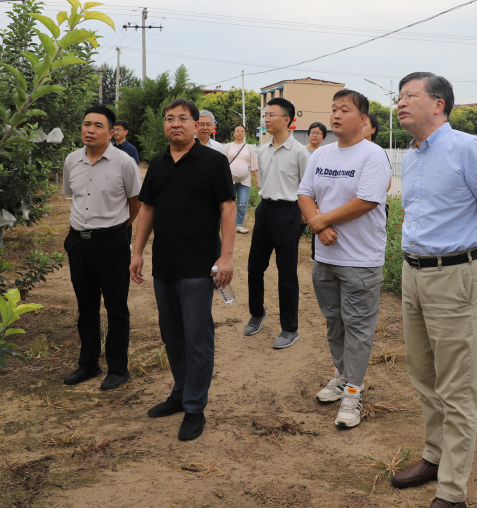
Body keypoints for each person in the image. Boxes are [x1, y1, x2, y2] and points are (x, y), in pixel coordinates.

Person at [389, 73, 477, 508]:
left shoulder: (468, 148)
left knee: (457, 385)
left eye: (410, 95)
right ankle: (434, 456)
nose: (400, 103)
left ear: (438, 104)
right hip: (414, 273)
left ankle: (453, 490)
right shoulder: (412, 156)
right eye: (399, 96)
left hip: (455, 275)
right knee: (424, 374)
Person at [129, 98, 236, 442]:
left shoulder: (213, 161)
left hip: (199, 265)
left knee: (197, 336)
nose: (175, 123)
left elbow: (228, 208)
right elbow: (147, 209)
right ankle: (180, 391)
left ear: (195, 124)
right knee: (172, 333)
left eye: (183, 118)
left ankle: (194, 407)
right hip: (165, 264)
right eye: (169, 118)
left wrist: (227, 257)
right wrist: (137, 252)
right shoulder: (158, 163)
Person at [298, 90, 391, 428]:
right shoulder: (322, 153)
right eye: (334, 109)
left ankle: (353, 391)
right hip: (326, 257)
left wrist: (322, 220)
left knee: (358, 328)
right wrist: (319, 225)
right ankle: (342, 376)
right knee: (334, 322)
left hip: (361, 260)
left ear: (363, 119)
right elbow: (305, 193)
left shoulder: (373, 154)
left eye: (345, 110)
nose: (336, 115)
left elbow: (367, 200)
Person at [61, 105, 142, 390]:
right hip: (78, 242)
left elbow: (136, 202)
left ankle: (118, 368)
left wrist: (118, 228)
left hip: (111, 243)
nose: (90, 130)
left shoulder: (124, 162)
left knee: (116, 307)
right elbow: (73, 196)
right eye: (87, 124)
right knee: (86, 306)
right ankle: (88, 364)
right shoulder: (71, 160)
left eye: (98, 125)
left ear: (111, 132)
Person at [245, 97, 310, 349]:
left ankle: (290, 328)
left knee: (286, 272)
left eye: (271, 114)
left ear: (287, 119)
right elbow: (263, 181)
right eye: (265, 114)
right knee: (254, 267)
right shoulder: (263, 150)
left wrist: (301, 218)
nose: (267, 119)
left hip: (288, 212)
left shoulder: (300, 152)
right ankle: (257, 313)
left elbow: (307, 187)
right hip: (265, 210)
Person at [224, 124, 259, 234]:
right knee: (228, 203)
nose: (240, 133)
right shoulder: (227, 147)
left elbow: (254, 164)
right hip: (230, 180)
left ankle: (239, 225)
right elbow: (222, 163)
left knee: (242, 204)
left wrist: (256, 178)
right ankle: (227, 224)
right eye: (237, 131)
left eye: (242, 131)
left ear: (245, 133)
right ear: (233, 133)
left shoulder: (249, 148)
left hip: (245, 180)